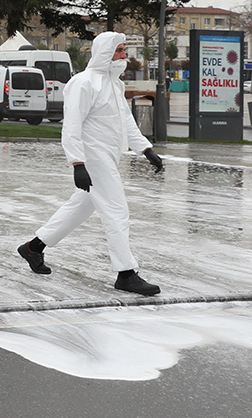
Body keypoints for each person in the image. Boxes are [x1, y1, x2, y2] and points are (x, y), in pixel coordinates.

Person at [17, 32, 165, 296]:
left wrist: (145, 148)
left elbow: (125, 121)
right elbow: (71, 125)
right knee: (117, 211)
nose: (124, 56)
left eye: (123, 50)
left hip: (108, 155)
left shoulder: (114, 83)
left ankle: (33, 248)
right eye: (119, 50)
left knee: (80, 206)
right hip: (93, 157)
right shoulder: (83, 83)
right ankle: (126, 273)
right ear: (104, 53)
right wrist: (78, 163)